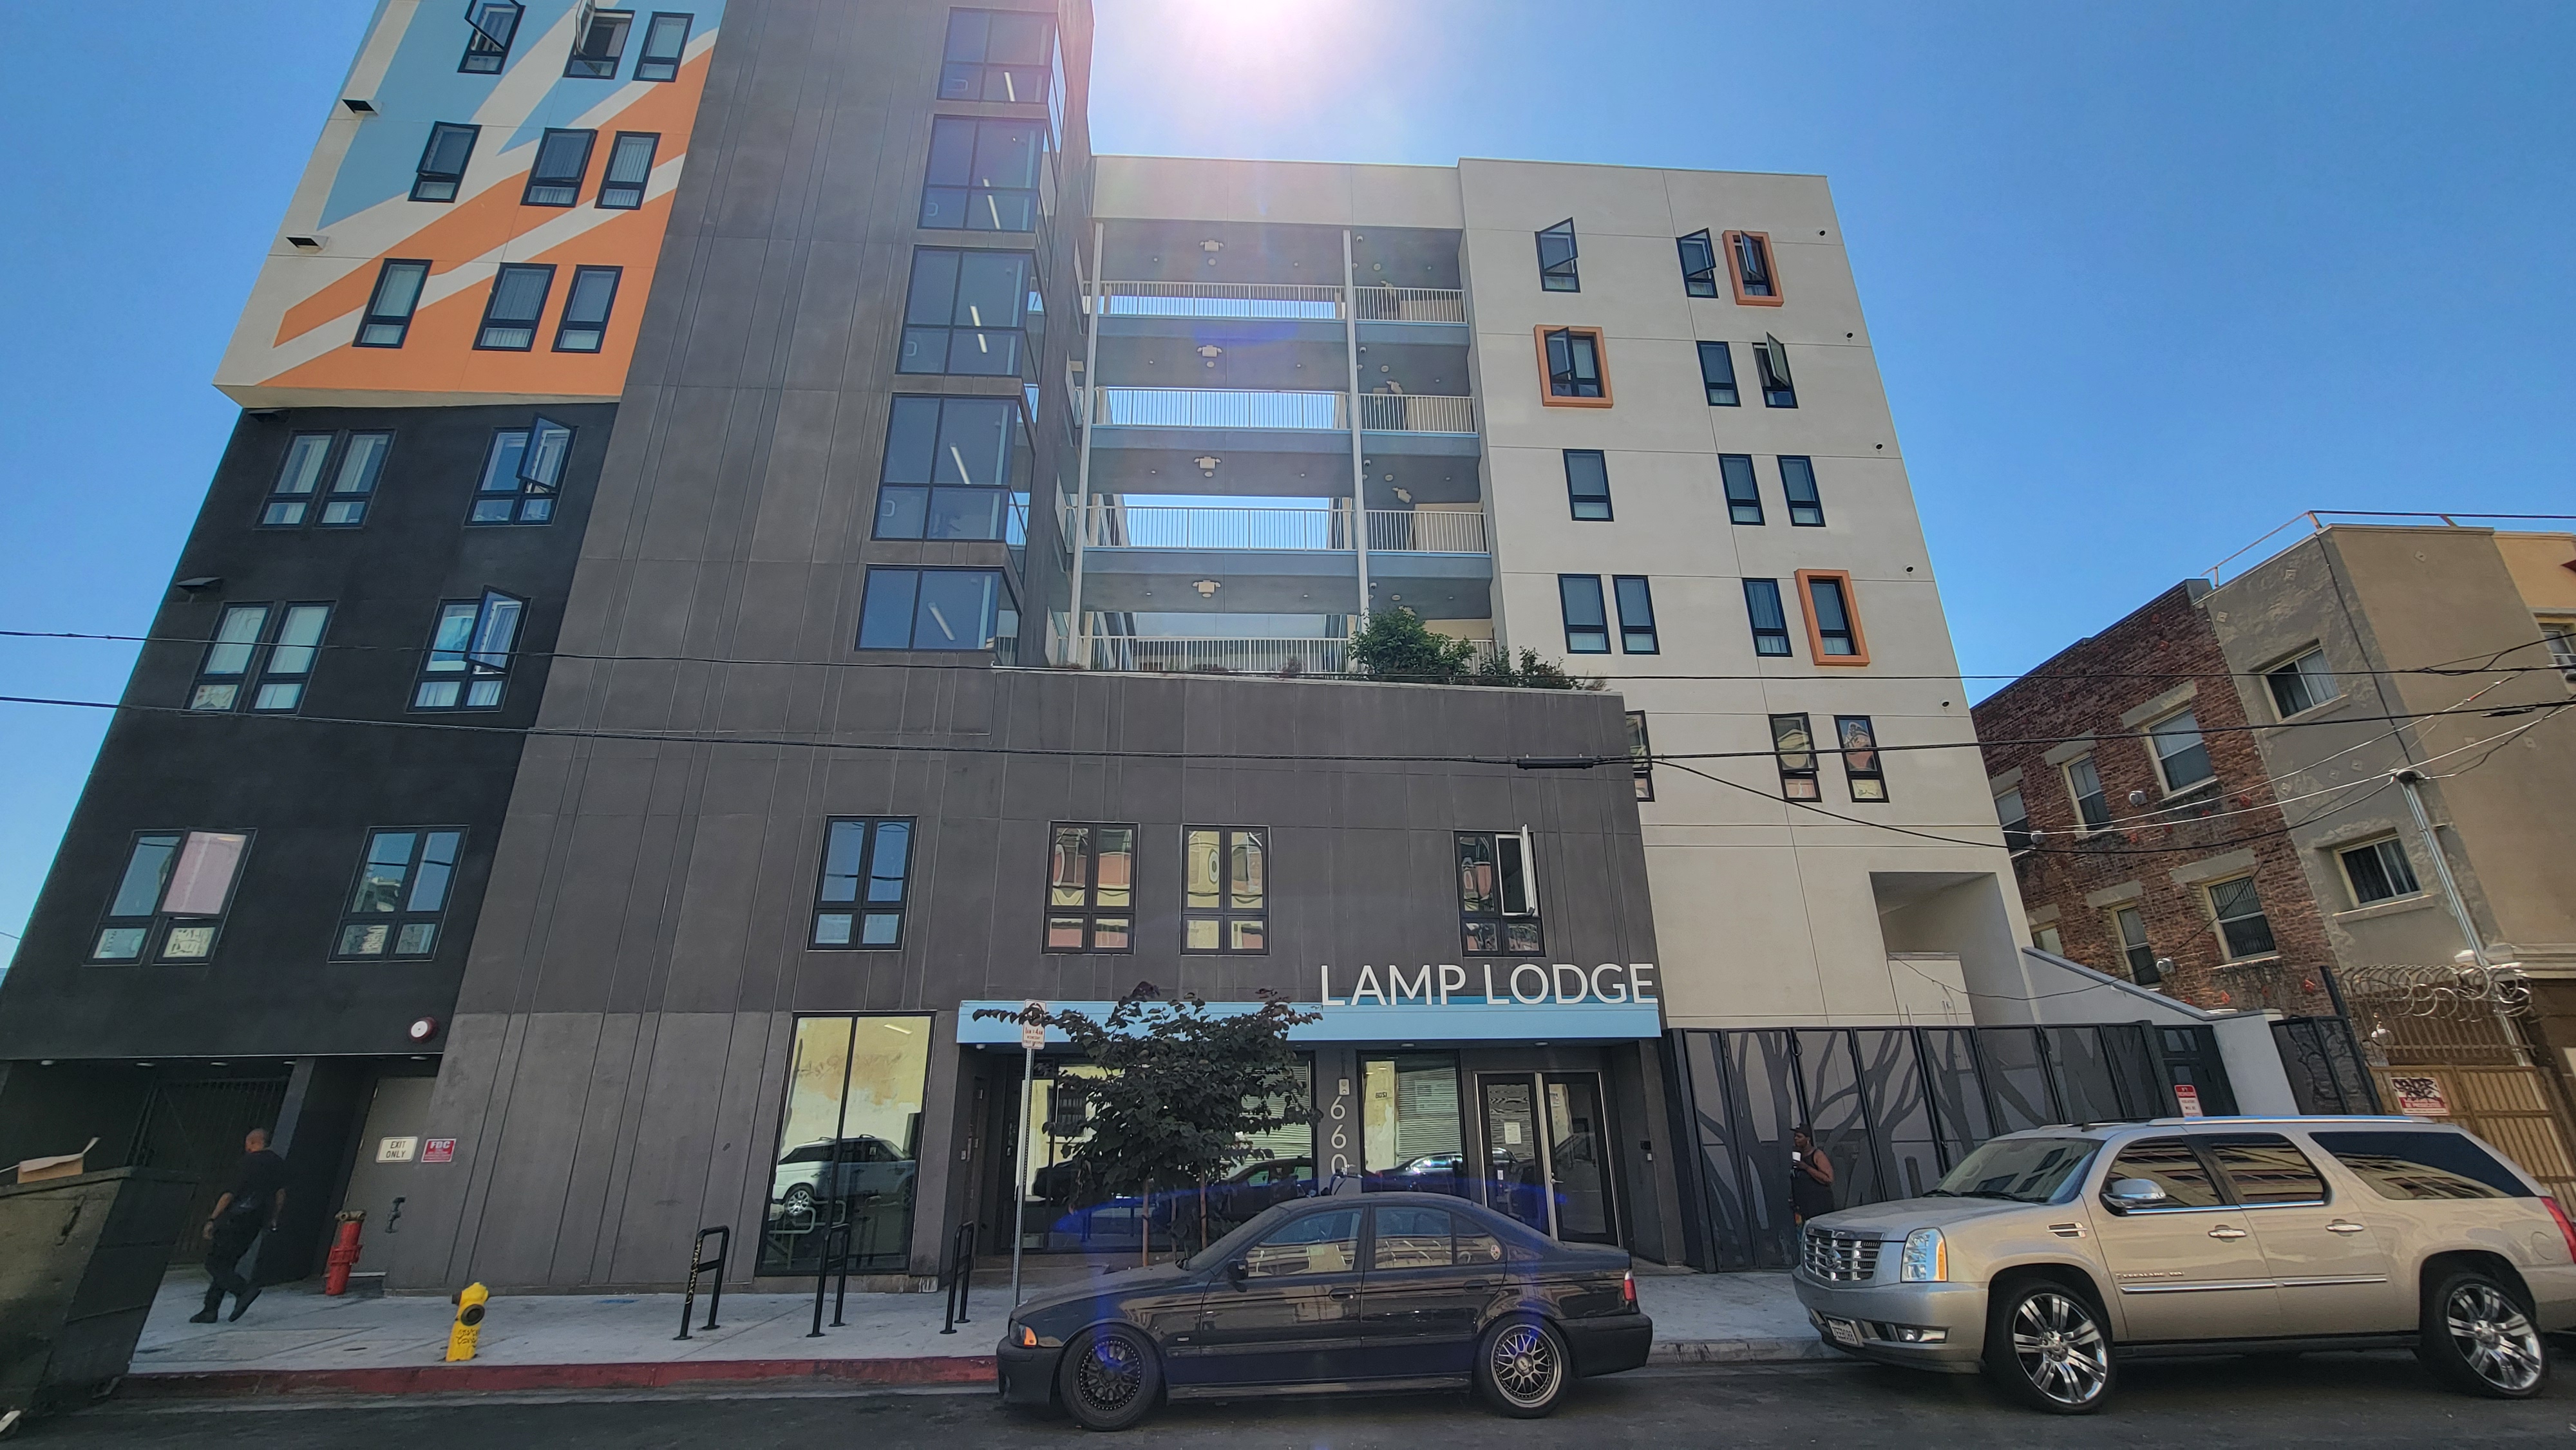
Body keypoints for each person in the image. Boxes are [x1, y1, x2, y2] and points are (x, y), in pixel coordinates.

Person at [191, 1128, 287, 1324]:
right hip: (256, 1221)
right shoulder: (278, 1163)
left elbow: (230, 1194)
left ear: (251, 1142)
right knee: (227, 1264)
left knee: (214, 1263)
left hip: (235, 1218)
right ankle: (210, 1310)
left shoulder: (247, 1162)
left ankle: (243, 1290)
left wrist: (212, 1219)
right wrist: (273, 1218)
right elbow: (280, 1194)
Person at [1788, 1126, 1835, 1226]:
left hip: (1819, 1205)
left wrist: (1806, 1168)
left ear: (1808, 1139)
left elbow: (1829, 1179)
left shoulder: (1817, 1154)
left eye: (1799, 1137)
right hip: (1803, 1205)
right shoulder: (1798, 1155)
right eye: (1795, 1136)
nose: (1796, 1139)